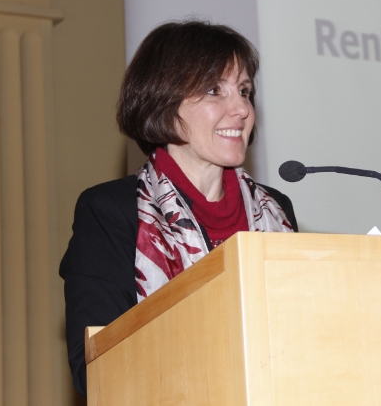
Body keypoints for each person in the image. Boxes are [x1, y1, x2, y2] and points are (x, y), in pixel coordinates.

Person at [59, 20, 298, 397]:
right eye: (214, 90)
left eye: (244, 91)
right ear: (163, 103)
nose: (241, 108)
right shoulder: (112, 212)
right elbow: (93, 373)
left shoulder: (276, 210)